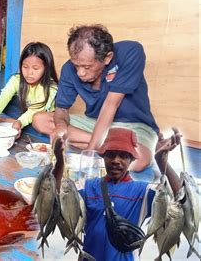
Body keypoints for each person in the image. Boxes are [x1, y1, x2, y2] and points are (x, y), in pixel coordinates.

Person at [52, 127, 182, 261]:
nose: (116, 160)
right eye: (111, 154)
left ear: (131, 159)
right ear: (103, 157)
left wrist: (162, 162)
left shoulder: (143, 191)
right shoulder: (88, 186)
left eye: (123, 156)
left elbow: (181, 200)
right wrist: (59, 163)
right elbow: (54, 199)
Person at [54, 25, 159, 172]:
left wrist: (89, 153)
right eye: (76, 65)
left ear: (107, 58)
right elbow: (61, 109)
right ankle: (113, 147)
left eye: (87, 67)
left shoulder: (130, 52)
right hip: (94, 123)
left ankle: (102, 145)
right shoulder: (68, 69)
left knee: (140, 160)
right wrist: (60, 125)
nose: (80, 73)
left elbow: (111, 104)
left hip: (133, 126)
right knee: (41, 120)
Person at [0, 42, 58, 138]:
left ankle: (12, 121)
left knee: (36, 122)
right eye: (25, 67)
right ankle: (16, 122)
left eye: (35, 68)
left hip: (41, 116)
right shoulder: (16, 79)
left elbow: (34, 111)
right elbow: (3, 98)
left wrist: (20, 122)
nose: (29, 73)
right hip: (25, 111)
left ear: (46, 68)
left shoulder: (51, 87)